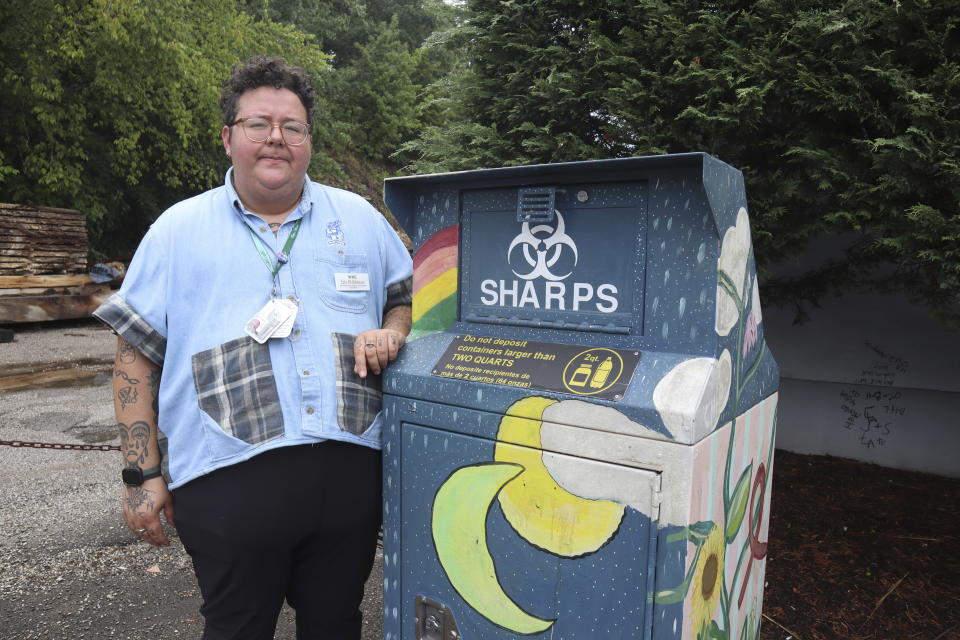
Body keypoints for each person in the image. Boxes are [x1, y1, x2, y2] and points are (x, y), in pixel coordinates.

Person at [94, 55, 412, 640]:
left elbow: (408, 297)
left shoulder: (361, 220)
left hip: (349, 475)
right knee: (237, 628)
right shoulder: (176, 231)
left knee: (337, 624)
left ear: (309, 139)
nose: (276, 139)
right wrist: (141, 478)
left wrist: (394, 328)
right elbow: (134, 355)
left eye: (293, 127)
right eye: (258, 124)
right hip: (224, 480)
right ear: (228, 137)